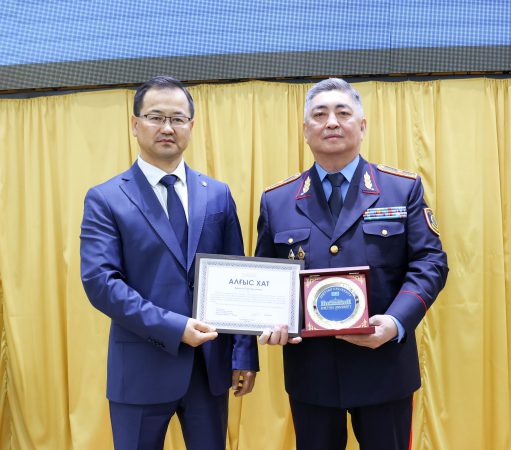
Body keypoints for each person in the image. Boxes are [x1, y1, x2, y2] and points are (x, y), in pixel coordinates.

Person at [255, 78, 448, 450]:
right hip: (311, 372)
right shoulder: (277, 200)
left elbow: (430, 262)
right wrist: (270, 319)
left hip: (384, 367)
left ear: (362, 126)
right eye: (320, 114)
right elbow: (267, 277)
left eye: (343, 113)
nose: (331, 122)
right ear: (305, 130)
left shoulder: (401, 188)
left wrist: (396, 322)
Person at [80, 76, 258, 450]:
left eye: (177, 119)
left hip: (209, 369)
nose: (167, 128)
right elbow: (101, 283)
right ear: (135, 124)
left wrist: (243, 353)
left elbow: (238, 275)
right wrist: (175, 328)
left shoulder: (218, 194)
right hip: (140, 369)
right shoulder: (106, 198)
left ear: (191, 126)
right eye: (155, 117)